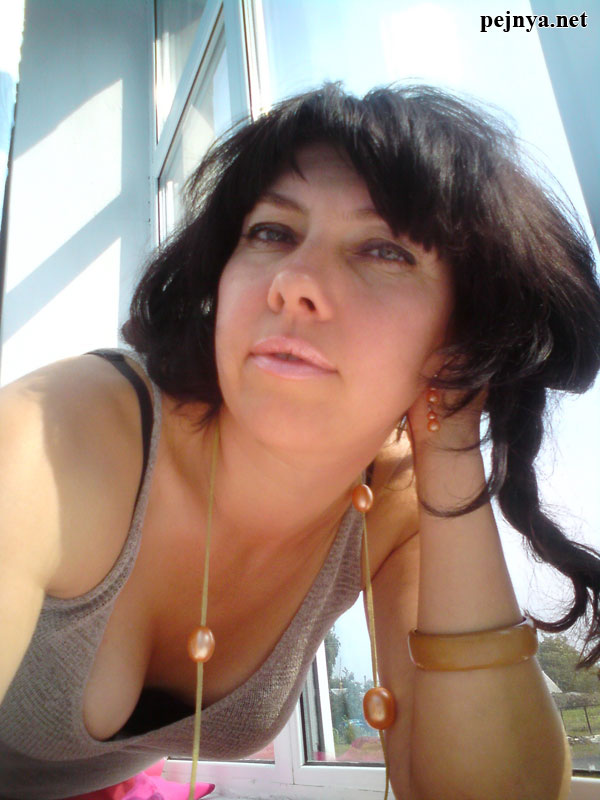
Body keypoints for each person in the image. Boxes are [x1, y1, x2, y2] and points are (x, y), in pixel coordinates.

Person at [1, 82, 599, 800]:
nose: (292, 282)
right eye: (272, 233)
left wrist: (450, 446)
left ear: (463, 335)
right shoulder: (63, 433)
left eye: (383, 250)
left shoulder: (395, 508)